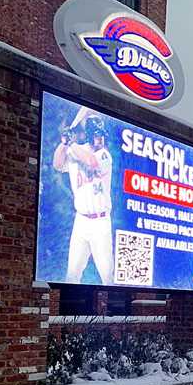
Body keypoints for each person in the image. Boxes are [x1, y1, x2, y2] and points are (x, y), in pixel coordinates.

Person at [52, 108, 114, 284]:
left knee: (107, 276)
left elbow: (91, 161)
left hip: (101, 223)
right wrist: (64, 143)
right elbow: (57, 164)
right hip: (81, 222)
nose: (100, 139)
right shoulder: (75, 150)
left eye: (102, 135)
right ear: (89, 135)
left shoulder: (104, 155)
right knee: (72, 274)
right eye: (96, 135)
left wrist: (70, 144)